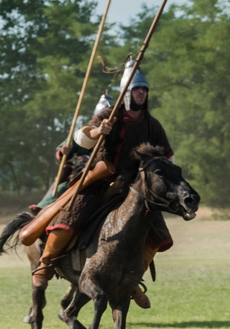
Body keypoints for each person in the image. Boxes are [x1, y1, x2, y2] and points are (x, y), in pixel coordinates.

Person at [32, 62, 174, 309]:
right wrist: (99, 131)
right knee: (70, 217)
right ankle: (45, 264)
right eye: (137, 89)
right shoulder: (109, 115)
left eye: (144, 90)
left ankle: (132, 281)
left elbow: (165, 157)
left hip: (134, 186)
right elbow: (81, 137)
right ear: (127, 93)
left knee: (159, 235)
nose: (142, 93)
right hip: (100, 179)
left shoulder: (152, 125)